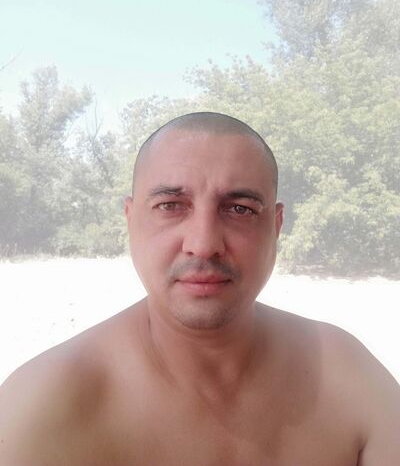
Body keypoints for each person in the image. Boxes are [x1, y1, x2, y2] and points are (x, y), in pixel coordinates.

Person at [0, 112, 399, 465]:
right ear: (130, 220)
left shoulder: (346, 374)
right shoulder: (41, 408)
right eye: (171, 205)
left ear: (276, 227)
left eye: (240, 209)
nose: (204, 243)